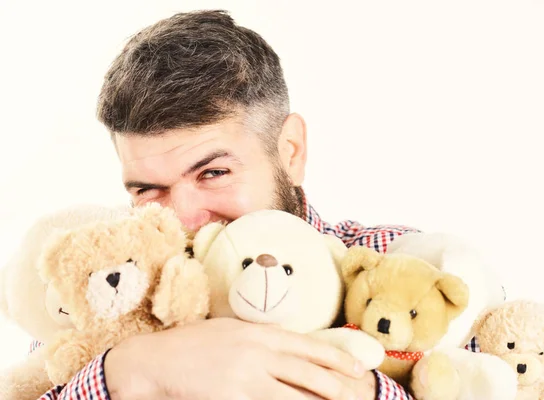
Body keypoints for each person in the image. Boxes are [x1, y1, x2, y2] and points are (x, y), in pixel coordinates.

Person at [35, 9, 480, 400]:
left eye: (212, 173)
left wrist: (353, 388)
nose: (183, 217)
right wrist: (127, 372)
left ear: (290, 151)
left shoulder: (406, 270)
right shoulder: (97, 293)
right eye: (146, 189)